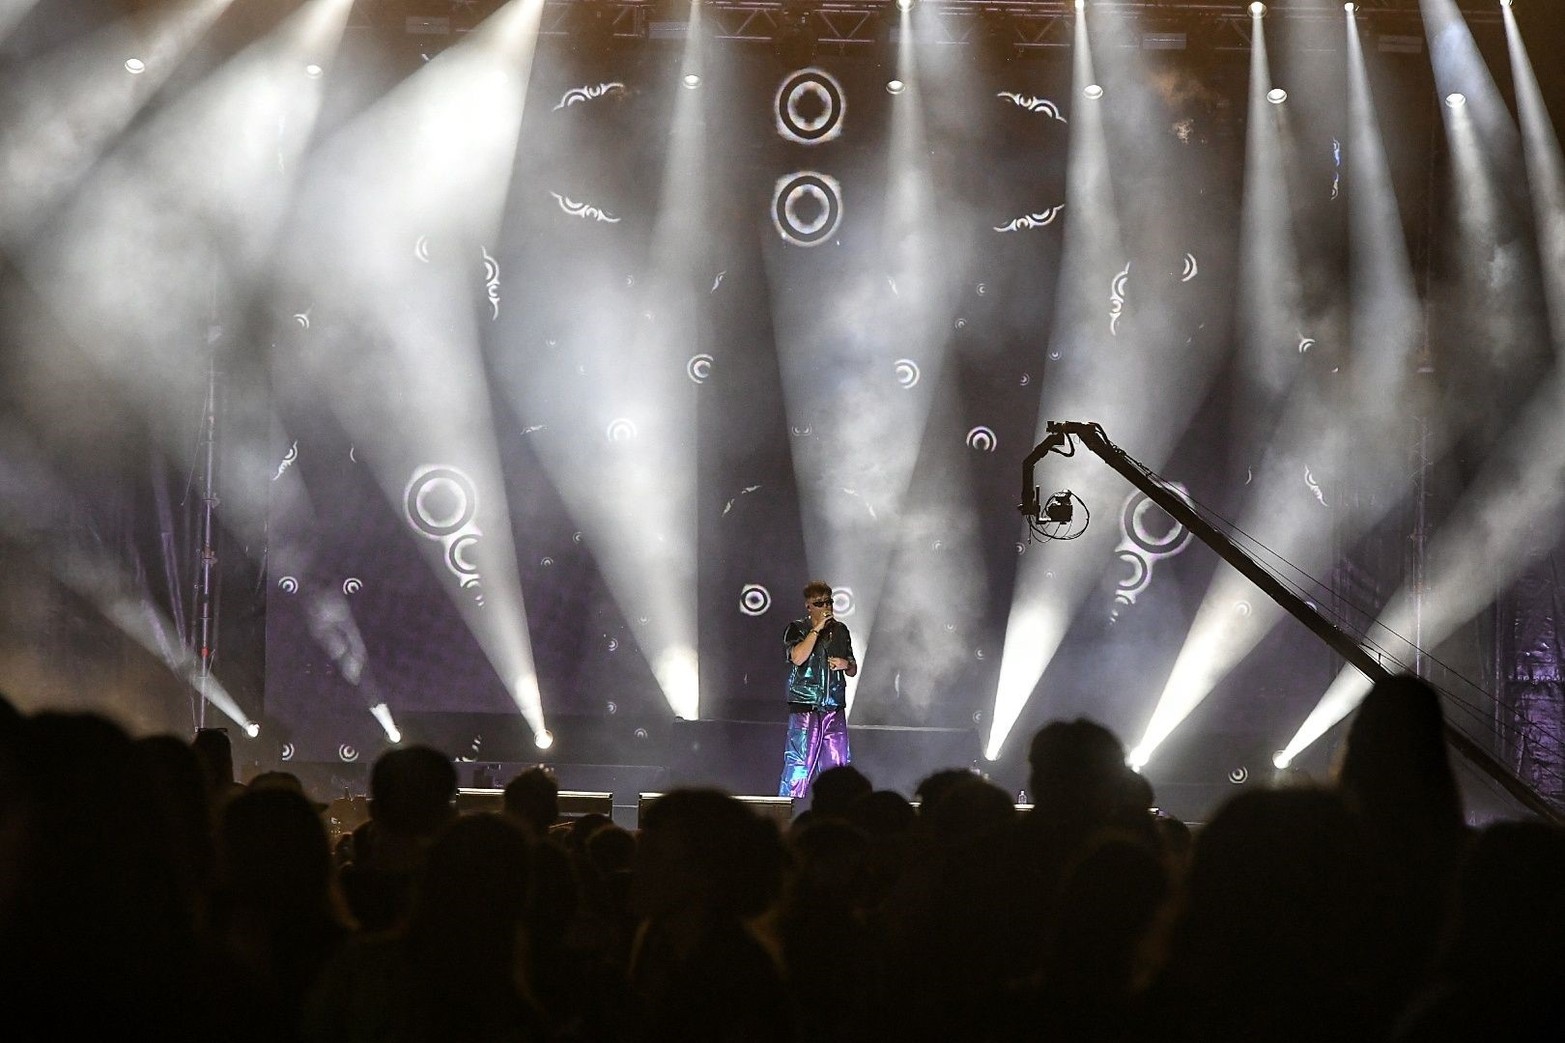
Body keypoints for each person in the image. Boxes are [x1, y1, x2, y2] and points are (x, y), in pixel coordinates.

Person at [778, 581, 857, 799]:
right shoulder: (797, 628)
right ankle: (786, 814)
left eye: (829, 602)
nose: (826, 607)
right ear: (809, 606)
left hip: (833, 706)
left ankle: (837, 815)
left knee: (838, 767)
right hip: (806, 707)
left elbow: (852, 668)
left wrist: (846, 664)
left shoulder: (840, 630)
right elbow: (797, 657)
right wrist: (817, 629)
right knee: (798, 765)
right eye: (820, 603)